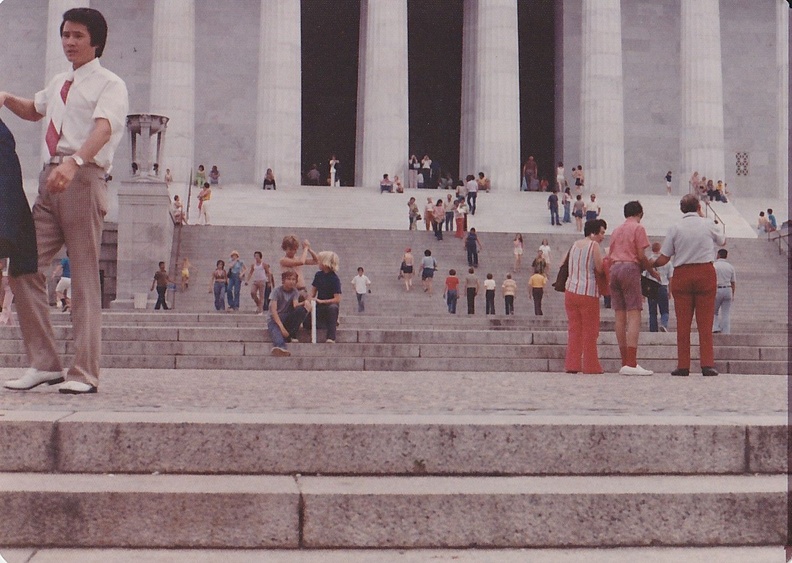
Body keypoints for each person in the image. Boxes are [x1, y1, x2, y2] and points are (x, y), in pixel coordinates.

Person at [0, 7, 128, 394]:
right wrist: (5, 98)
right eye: (65, 35)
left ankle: (84, 373)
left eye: (77, 36)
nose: (68, 42)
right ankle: (45, 363)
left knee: (85, 277)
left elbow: (104, 129)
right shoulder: (59, 82)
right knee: (23, 265)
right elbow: (35, 111)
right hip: (48, 181)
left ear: (96, 42)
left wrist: (73, 163)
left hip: (82, 178)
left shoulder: (110, 84)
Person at [653, 194, 726, 376]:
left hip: (682, 274)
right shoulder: (708, 223)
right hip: (705, 273)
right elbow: (723, 241)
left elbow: (664, 258)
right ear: (699, 207)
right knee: (705, 322)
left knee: (683, 323)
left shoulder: (675, 228)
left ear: (682, 209)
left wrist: (649, 264)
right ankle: (707, 364)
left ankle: (683, 365)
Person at [608, 201, 659, 376]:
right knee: (634, 313)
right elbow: (640, 254)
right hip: (630, 268)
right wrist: (652, 271)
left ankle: (624, 361)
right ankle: (631, 362)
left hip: (614, 269)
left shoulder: (616, 230)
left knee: (619, 316)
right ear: (640, 213)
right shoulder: (638, 228)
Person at [564, 219, 608, 374]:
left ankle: (572, 364)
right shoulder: (593, 246)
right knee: (590, 330)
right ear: (594, 232)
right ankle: (591, 365)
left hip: (570, 290)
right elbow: (599, 268)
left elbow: (565, 263)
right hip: (587, 291)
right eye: (602, 232)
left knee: (574, 329)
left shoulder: (575, 244)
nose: (603, 236)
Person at [268, 270, 312, 357]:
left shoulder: (295, 291)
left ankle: (291, 335)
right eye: (289, 279)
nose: (291, 281)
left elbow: (295, 305)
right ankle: (281, 347)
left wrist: (304, 303)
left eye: (293, 279)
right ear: (283, 280)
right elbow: (273, 311)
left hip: (287, 316)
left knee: (301, 310)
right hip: (275, 318)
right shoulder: (276, 291)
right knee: (275, 329)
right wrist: (282, 328)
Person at [306, 250, 341, 343]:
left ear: (325, 263)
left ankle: (331, 337)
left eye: (320, 260)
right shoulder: (318, 275)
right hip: (319, 306)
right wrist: (308, 301)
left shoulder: (334, 279)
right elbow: (312, 292)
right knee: (306, 323)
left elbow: (337, 299)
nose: (318, 262)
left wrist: (322, 301)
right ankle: (328, 323)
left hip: (329, 306)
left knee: (333, 308)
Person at [645, 242, 673, 332]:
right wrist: (670, 291)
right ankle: (664, 324)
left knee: (652, 311)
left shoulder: (648, 261)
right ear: (660, 249)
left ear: (652, 249)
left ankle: (653, 330)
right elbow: (670, 277)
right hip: (663, 286)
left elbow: (644, 276)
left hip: (651, 287)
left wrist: (643, 292)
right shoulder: (667, 262)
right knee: (664, 309)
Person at [712, 248, 736, 334]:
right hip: (728, 289)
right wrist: (732, 293)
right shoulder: (730, 267)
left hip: (717, 289)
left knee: (713, 311)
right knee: (726, 313)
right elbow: (733, 282)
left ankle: (715, 327)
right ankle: (726, 331)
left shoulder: (714, 266)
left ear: (718, 255)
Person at [0, 260, 14, 326]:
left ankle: (2, 321)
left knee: (6, 304)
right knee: (2, 303)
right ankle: (12, 325)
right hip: (4, 277)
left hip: (12, 278)